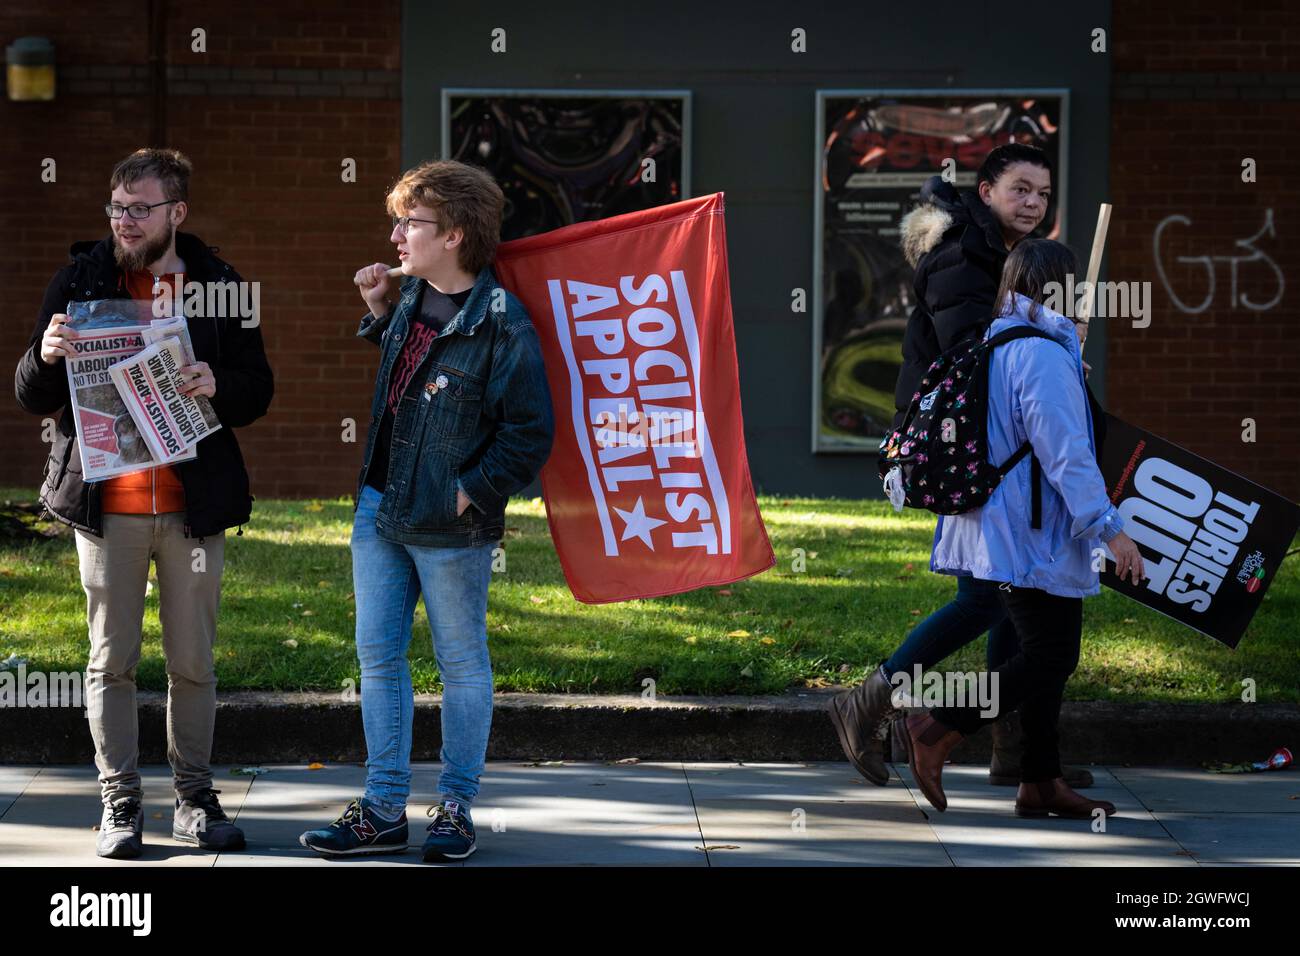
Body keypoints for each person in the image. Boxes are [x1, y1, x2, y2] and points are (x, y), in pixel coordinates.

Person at [13, 148, 274, 858]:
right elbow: (30, 391)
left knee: (193, 663)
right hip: (107, 509)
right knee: (111, 661)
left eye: (139, 209)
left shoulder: (218, 284)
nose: (124, 222)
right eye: (117, 208)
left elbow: (258, 387)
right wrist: (46, 352)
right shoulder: (81, 278)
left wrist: (214, 381)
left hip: (192, 508)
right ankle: (119, 803)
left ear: (176, 213)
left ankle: (194, 798)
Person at [299, 160, 554, 861]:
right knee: (378, 658)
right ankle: (382, 809)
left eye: (410, 223)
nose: (395, 234)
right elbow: (413, 376)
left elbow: (530, 430)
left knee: (461, 662)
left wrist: (471, 489)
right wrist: (381, 310)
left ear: (456, 235)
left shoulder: (502, 323)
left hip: (449, 520)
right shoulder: (411, 300)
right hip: (379, 506)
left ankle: (456, 809)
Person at [831, 144, 1095, 789]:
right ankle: (868, 704)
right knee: (988, 597)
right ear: (985, 191)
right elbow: (974, 355)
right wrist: (1050, 344)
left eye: (1042, 193)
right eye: (1020, 190)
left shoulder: (1003, 255)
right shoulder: (962, 255)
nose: (1033, 203)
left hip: (990, 447)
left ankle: (1020, 752)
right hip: (966, 449)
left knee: (1010, 598)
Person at [903, 238, 1144, 817]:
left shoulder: (1003, 340)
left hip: (1006, 527)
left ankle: (1039, 781)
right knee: (1051, 656)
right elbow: (1066, 452)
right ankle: (936, 729)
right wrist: (1109, 528)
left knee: (1046, 654)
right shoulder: (1040, 353)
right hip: (1035, 532)